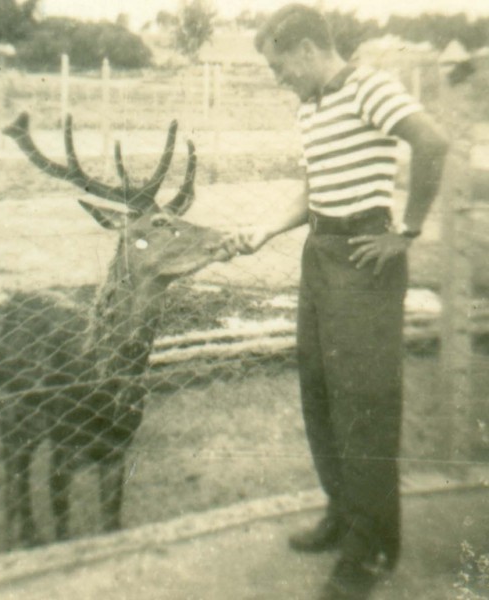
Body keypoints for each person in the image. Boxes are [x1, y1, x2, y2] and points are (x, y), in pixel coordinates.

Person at [223, 4, 449, 599]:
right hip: (320, 251)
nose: (279, 78)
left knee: (364, 406)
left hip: (364, 256)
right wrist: (264, 229)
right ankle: (344, 513)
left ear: (304, 48)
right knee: (320, 391)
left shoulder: (369, 86)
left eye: (279, 66)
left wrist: (407, 232)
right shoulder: (310, 105)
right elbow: (313, 188)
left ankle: (371, 549)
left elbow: (432, 141)